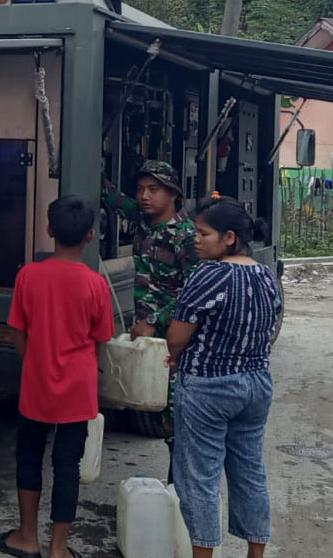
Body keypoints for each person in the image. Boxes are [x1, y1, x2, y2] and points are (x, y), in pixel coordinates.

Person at [0, 195, 114, 558]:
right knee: (67, 465)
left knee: (29, 458)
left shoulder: (28, 275)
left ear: (48, 230)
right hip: (78, 389)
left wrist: (36, 362)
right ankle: (59, 549)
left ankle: (27, 537)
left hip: (36, 385)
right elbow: (101, 339)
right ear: (90, 236)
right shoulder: (96, 285)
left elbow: (18, 333)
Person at [166, 196, 282, 558]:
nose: (195, 239)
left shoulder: (209, 275)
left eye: (203, 233)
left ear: (229, 237)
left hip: (209, 386)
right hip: (256, 384)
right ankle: (255, 554)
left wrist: (175, 357)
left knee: (200, 477)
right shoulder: (264, 272)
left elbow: (177, 336)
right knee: (249, 473)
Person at [102, 160, 199, 480]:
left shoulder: (186, 237)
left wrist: (155, 320)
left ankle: (180, 489)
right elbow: (114, 199)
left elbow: (195, 293)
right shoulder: (143, 220)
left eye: (153, 190)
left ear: (173, 194)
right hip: (148, 336)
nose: (144, 196)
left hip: (175, 337)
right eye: (141, 189)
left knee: (174, 414)